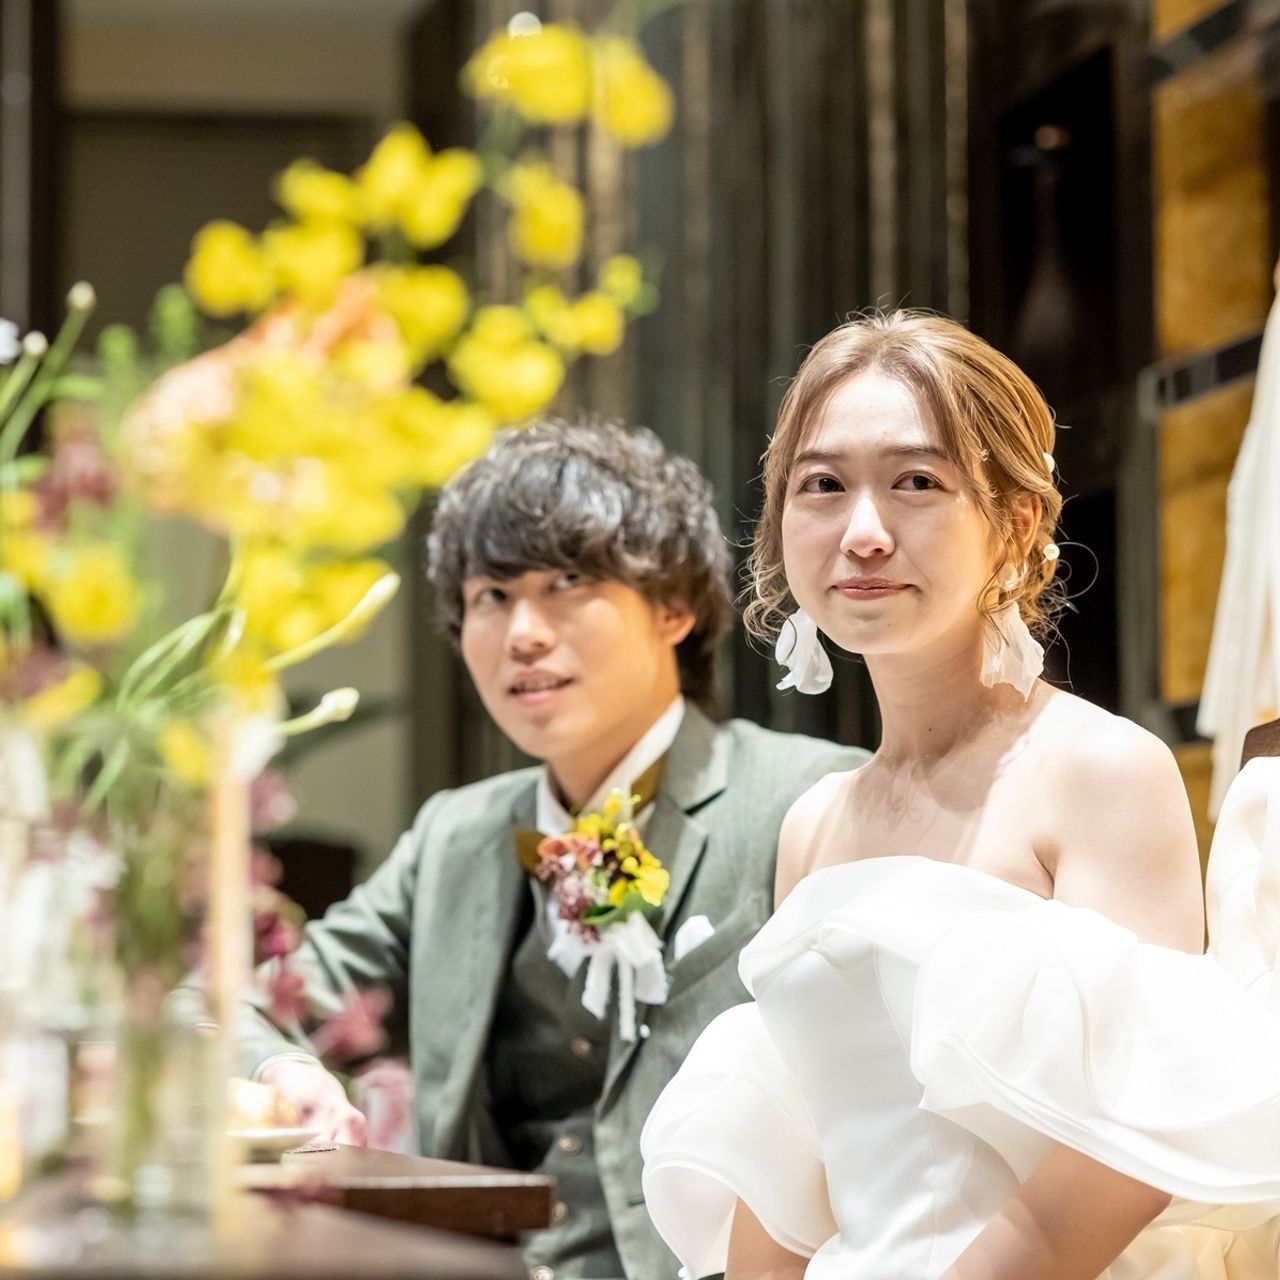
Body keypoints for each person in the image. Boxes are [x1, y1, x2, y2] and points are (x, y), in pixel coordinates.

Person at [641, 312, 1280, 1279]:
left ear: (1015, 523)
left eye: (916, 483)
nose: (863, 533)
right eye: (822, 486)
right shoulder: (814, 822)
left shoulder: (1103, 771)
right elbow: (799, 1148)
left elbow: (1135, 1137)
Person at [237, 417, 864, 1279]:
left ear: (674, 607)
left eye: (568, 581)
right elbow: (238, 1005)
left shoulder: (813, 800)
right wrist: (285, 1071)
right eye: (490, 596)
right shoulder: (454, 838)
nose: (523, 633)